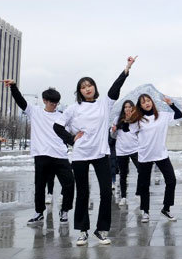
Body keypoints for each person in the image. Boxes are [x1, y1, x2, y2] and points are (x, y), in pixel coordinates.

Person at [53, 56, 136, 246]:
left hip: (100, 154)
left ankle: (102, 230)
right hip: (81, 155)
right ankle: (83, 231)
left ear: (94, 88)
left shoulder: (104, 104)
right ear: (79, 92)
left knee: (106, 192)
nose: (87, 88)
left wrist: (127, 69)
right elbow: (57, 127)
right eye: (83, 87)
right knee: (82, 193)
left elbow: (116, 88)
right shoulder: (73, 109)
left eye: (89, 85)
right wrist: (71, 139)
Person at [3, 80, 76, 227]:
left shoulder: (62, 116)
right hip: (42, 155)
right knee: (40, 186)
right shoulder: (35, 111)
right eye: (51, 102)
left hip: (60, 155)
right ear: (44, 101)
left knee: (69, 183)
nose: (54, 105)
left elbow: (72, 131)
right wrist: (13, 87)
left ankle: (65, 211)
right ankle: (39, 212)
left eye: (56, 102)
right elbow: (20, 101)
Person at [129, 94, 182, 222]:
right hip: (145, 155)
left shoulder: (163, 116)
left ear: (152, 102)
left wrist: (171, 104)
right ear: (140, 105)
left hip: (161, 154)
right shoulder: (138, 120)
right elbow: (128, 129)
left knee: (171, 180)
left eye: (148, 100)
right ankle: (145, 211)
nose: (147, 103)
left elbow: (179, 115)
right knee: (144, 185)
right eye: (143, 102)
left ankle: (166, 208)